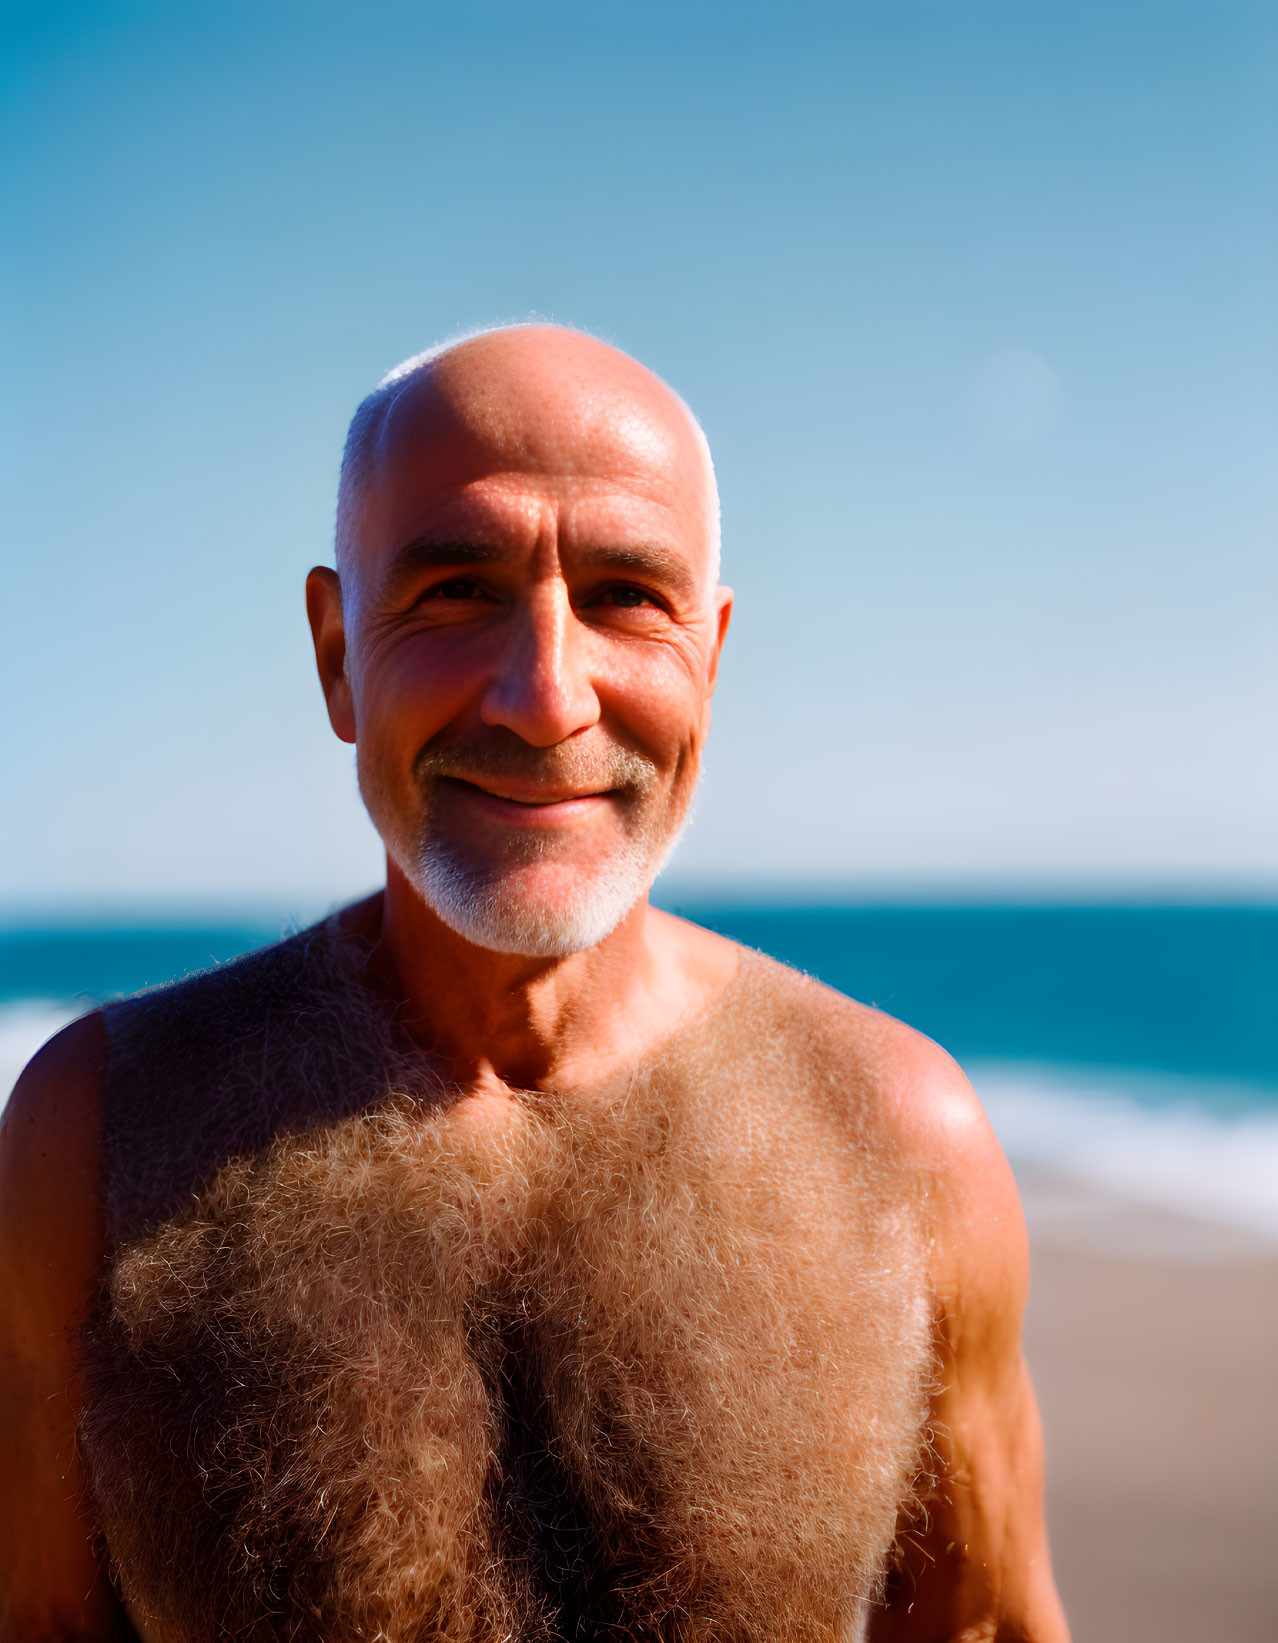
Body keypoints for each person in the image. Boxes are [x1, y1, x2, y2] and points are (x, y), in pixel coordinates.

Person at [0, 325, 1069, 1642]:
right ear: (338, 654)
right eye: (454, 593)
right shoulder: (100, 1136)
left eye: (626, 596)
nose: (545, 697)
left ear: (711, 661)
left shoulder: (902, 1145)